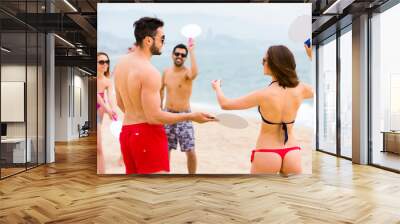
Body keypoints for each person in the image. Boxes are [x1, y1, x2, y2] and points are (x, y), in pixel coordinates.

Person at [113, 17, 215, 175]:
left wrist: (138, 115)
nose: (163, 42)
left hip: (127, 133)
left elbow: (120, 103)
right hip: (147, 134)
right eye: (162, 38)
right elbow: (154, 117)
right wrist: (193, 115)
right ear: (148, 40)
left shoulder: (120, 65)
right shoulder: (150, 71)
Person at [211, 45, 314, 175]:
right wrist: (311, 55)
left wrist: (217, 88)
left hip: (267, 152)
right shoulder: (301, 89)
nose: (262, 63)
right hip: (292, 150)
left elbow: (225, 104)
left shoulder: (263, 95)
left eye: (264, 60)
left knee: (258, 194)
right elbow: (324, 85)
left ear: (274, 64)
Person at [160, 42, 199, 174]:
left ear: (185, 58)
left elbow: (195, 73)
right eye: (177, 54)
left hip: (184, 116)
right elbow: (160, 90)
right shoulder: (166, 72)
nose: (179, 56)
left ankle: (192, 178)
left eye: (183, 55)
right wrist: (159, 110)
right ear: (172, 55)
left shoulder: (187, 73)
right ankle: (165, 175)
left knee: (190, 150)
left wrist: (192, 51)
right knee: (165, 149)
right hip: (167, 115)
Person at [97, 52, 118, 174]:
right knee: (97, 147)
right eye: (101, 62)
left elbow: (111, 96)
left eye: (107, 62)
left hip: (99, 114)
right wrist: (108, 109)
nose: (105, 64)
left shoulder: (107, 81)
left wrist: (113, 109)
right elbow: (98, 98)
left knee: (99, 148)